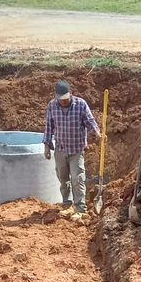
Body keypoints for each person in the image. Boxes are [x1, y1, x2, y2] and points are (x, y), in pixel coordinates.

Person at [43, 79, 100, 218]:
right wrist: (46, 145)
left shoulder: (80, 104)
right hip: (60, 149)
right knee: (63, 179)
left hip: (76, 149)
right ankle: (66, 204)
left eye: (65, 99)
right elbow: (49, 126)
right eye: (60, 99)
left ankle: (80, 208)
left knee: (77, 178)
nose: (63, 102)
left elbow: (89, 121)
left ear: (71, 94)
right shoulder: (52, 106)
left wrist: (97, 132)